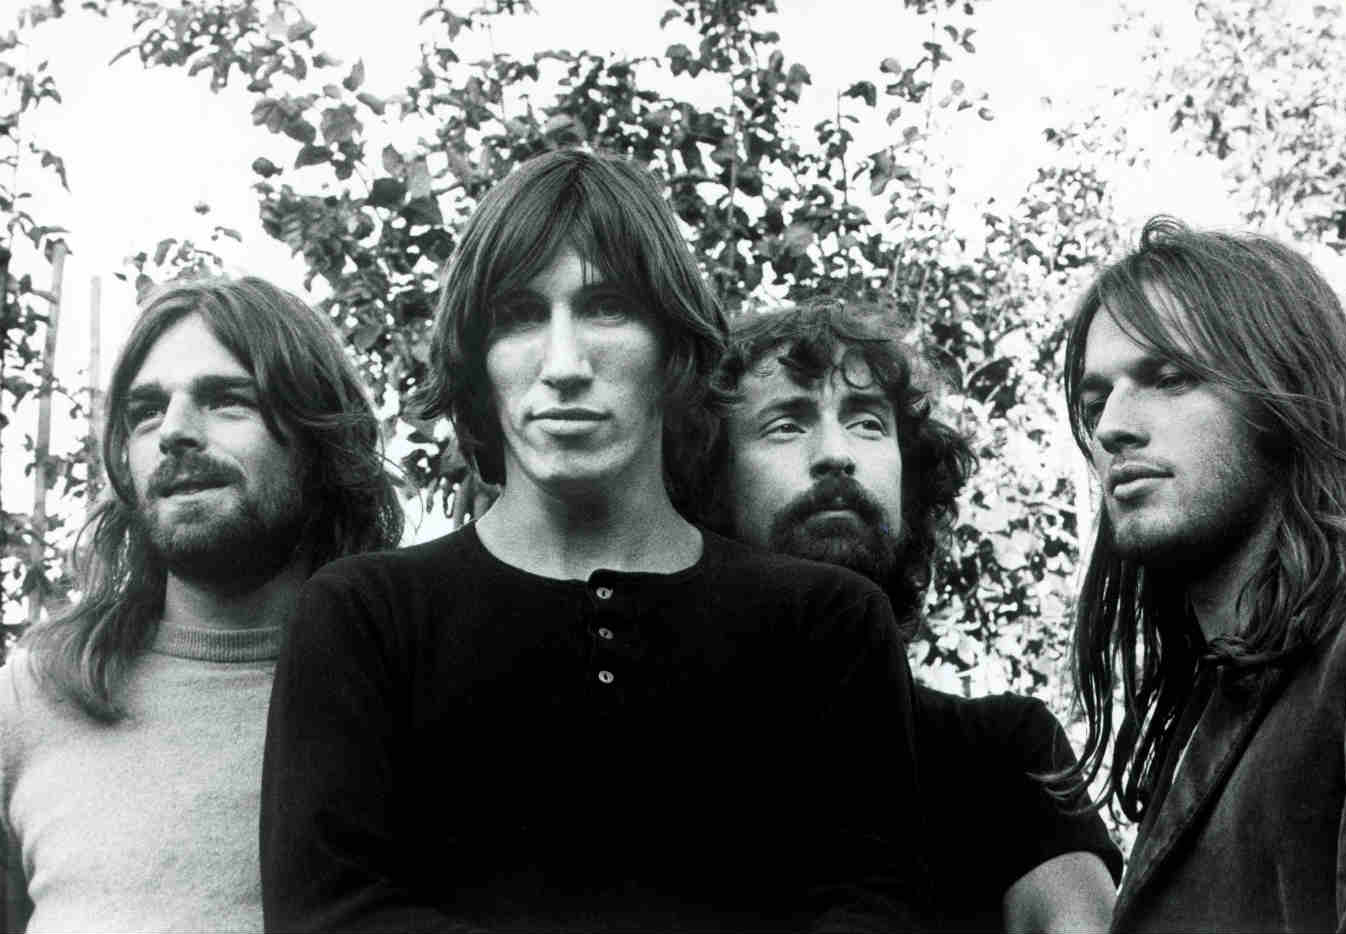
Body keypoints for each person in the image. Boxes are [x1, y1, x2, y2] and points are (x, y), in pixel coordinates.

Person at [260, 149, 925, 932]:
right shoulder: (367, 616)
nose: (564, 365)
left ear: (673, 347)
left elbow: (872, 906)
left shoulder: (826, 624)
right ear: (477, 363)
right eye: (518, 315)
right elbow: (332, 914)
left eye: (607, 307)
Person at [0, 276, 403, 933]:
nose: (175, 432)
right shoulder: (35, 699)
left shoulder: (401, 695)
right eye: (146, 411)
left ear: (319, 438)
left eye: (226, 400)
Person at [710, 300, 1122, 932]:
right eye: (786, 425)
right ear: (710, 477)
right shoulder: (657, 744)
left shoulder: (1005, 750)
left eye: (867, 423)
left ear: (911, 477)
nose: (835, 454)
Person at [1060, 216, 1346, 931]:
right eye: (1094, 402)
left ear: (1283, 393)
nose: (1112, 426)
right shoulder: (1206, 706)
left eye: (1169, 378)